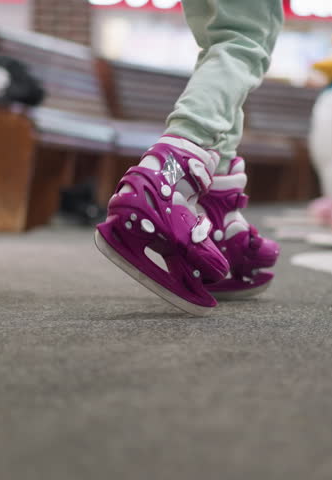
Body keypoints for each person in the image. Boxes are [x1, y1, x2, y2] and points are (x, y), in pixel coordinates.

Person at [94, 0, 284, 316]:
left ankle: (215, 211)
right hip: (166, 174)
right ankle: (164, 177)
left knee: (225, 38)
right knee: (244, 37)